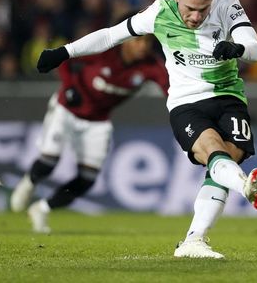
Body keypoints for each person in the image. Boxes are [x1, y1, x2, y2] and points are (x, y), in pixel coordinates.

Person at [35, 0, 257, 259]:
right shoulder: (159, 12)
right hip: (187, 103)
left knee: (227, 160)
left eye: (203, 9)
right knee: (213, 151)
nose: (196, 17)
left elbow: (255, 48)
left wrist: (236, 49)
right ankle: (244, 187)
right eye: (190, 9)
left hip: (229, 97)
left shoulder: (227, 5)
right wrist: (64, 52)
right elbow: (111, 35)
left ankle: (194, 240)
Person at [11, 26, 169, 234]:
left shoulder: (151, 66)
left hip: (98, 121)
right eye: (138, 41)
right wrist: (69, 88)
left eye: (147, 43)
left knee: (87, 179)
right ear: (127, 40)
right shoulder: (104, 51)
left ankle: (41, 208)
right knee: (49, 161)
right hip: (66, 110)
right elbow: (66, 60)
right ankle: (29, 182)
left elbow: (170, 88)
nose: (143, 47)